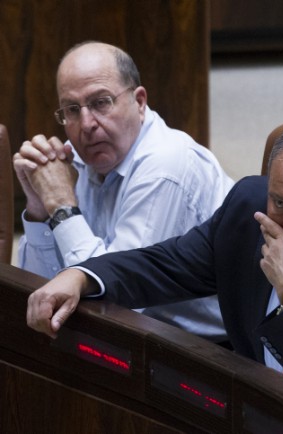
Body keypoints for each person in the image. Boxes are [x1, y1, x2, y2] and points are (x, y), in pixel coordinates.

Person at [25, 120, 283, 409]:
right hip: (246, 405)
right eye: (279, 202)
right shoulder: (248, 205)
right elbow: (166, 265)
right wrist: (80, 275)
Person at [13, 41, 234, 343]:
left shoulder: (166, 165)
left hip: (208, 353)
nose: (87, 124)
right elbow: (41, 291)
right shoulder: (75, 160)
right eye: (72, 110)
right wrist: (41, 210)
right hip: (138, 337)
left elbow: (118, 302)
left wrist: (63, 207)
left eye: (101, 102)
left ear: (139, 101)